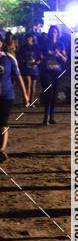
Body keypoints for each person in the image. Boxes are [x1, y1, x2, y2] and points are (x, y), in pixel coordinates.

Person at [0, 33, 29, 161]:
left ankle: (1, 150)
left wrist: (25, 96)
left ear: (1, 43)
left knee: (2, 123)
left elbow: (18, 77)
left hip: (7, 96)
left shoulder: (9, 58)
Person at [39, 25, 67, 125]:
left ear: (57, 34)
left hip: (57, 71)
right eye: (51, 32)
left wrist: (59, 54)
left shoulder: (61, 44)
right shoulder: (44, 44)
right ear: (49, 33)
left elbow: (65, 59)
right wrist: (44, 57)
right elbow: (41, 56)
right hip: (46, 71)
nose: (53, 34)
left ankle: (52, 116)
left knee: (55, 94)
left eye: (55, 32)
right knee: (48, 92)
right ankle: (46, 116)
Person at [18, 33, 41, 105]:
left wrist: (36, 63)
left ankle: (32, 101)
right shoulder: (23, 47)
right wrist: (23, 61)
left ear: (32, 39)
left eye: (29, 38)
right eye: (27, 38)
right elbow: (20, 57)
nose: (28, 39)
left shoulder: (36, 47)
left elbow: (40, 58)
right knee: (28, 83)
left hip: (34, 68)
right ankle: (26, 101)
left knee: (33, 86)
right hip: (26, 68)